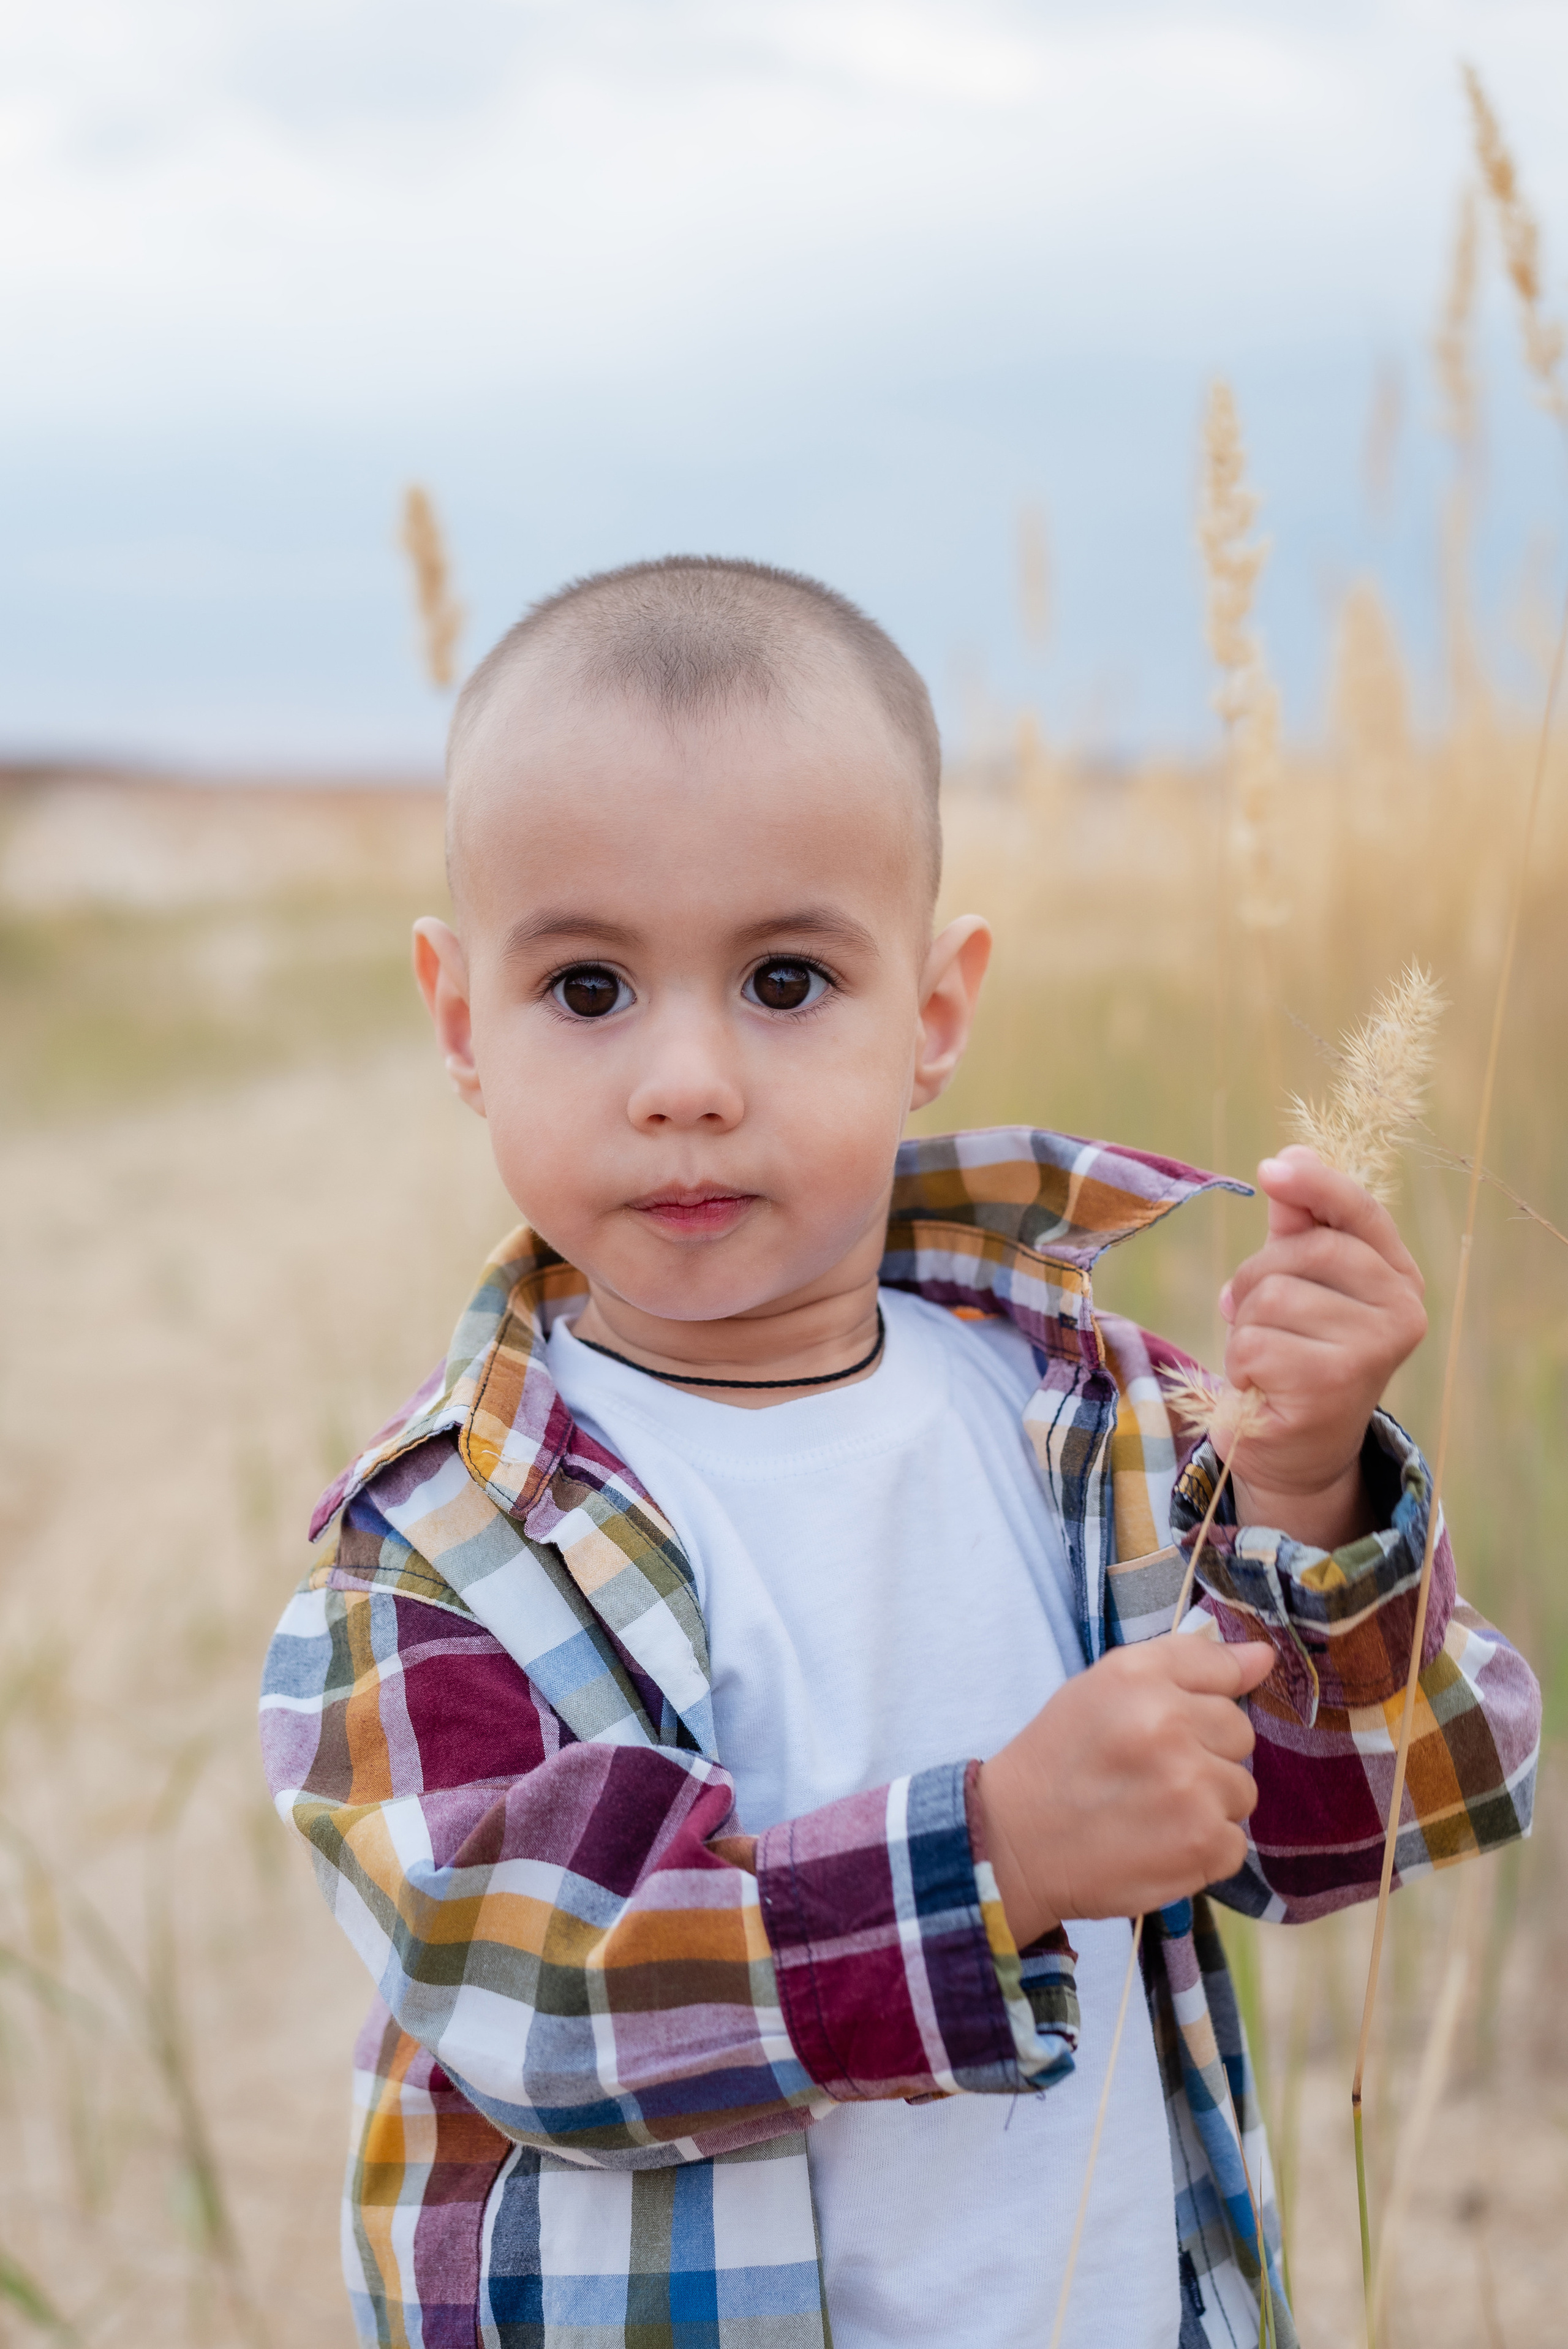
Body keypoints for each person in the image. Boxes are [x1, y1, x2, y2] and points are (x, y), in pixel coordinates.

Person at [260, 556, 1539, 2349]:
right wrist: (992, 1852)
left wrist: (1307, 1483)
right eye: (588, 986)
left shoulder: (1092, 1420)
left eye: (785, 979)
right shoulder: (439, 1543)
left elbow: (1367, 1813)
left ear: (933, 1013)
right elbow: (534, 1997)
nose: (688, 1078)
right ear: (463, 1018)